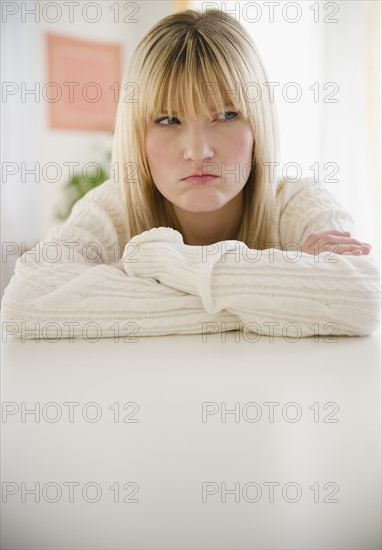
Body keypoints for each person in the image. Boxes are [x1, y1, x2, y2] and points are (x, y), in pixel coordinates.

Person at [1, 8, 380, 340]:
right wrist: (281, 294)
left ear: (257, 127)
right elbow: (25, 303)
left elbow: (361, 298)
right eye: (168, 120)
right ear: (138, 135)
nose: (198, 151)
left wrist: (155, 262)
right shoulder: (114, 207)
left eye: (226, 115)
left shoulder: (295, 202)